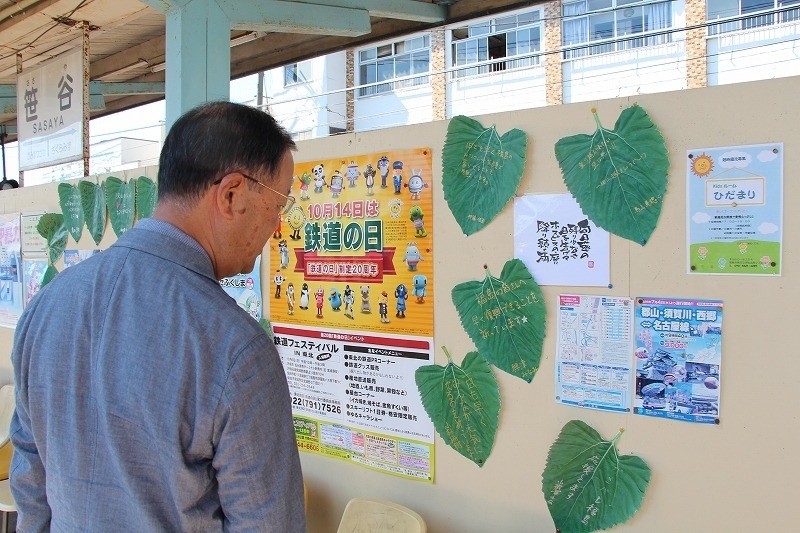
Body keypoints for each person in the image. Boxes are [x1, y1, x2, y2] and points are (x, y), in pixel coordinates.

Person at [10, 101, 306, 531]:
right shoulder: (235, 350)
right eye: (279, 203)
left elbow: (31, 483)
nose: (278, 225)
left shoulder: (46, 308)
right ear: (231, 194)